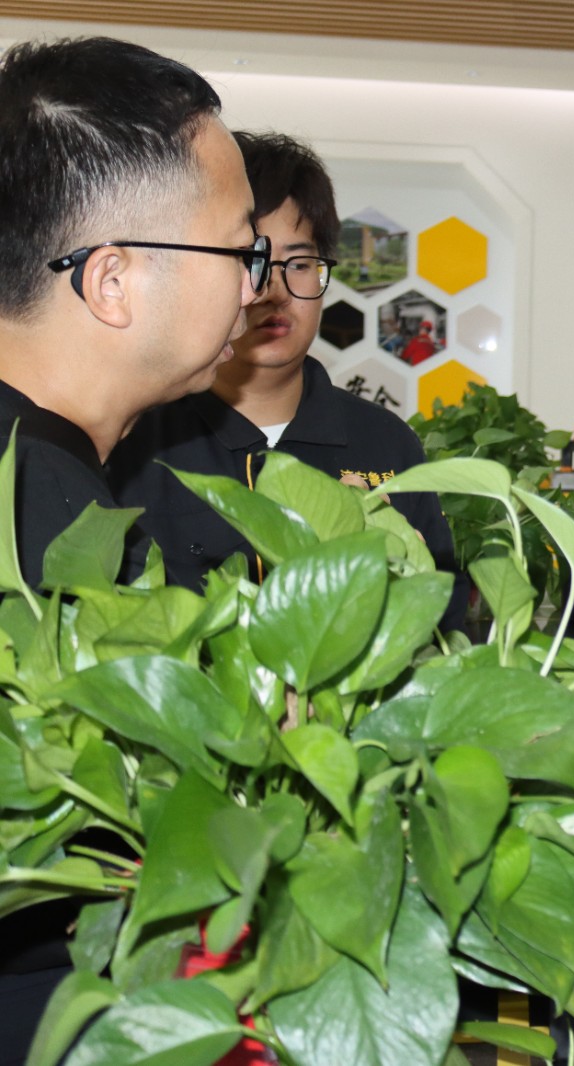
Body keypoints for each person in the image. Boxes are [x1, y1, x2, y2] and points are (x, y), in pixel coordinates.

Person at [0, 35, 262, 1061]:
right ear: (111, 281)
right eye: (239, 251)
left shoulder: (62, 476)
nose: (257, 288)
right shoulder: (49, 526)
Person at [109, 131, 467, 630]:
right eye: (251, 260)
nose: (275, 291)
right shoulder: (134, 439)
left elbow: (445, 622)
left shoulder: (386, 442)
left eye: (299, 264)